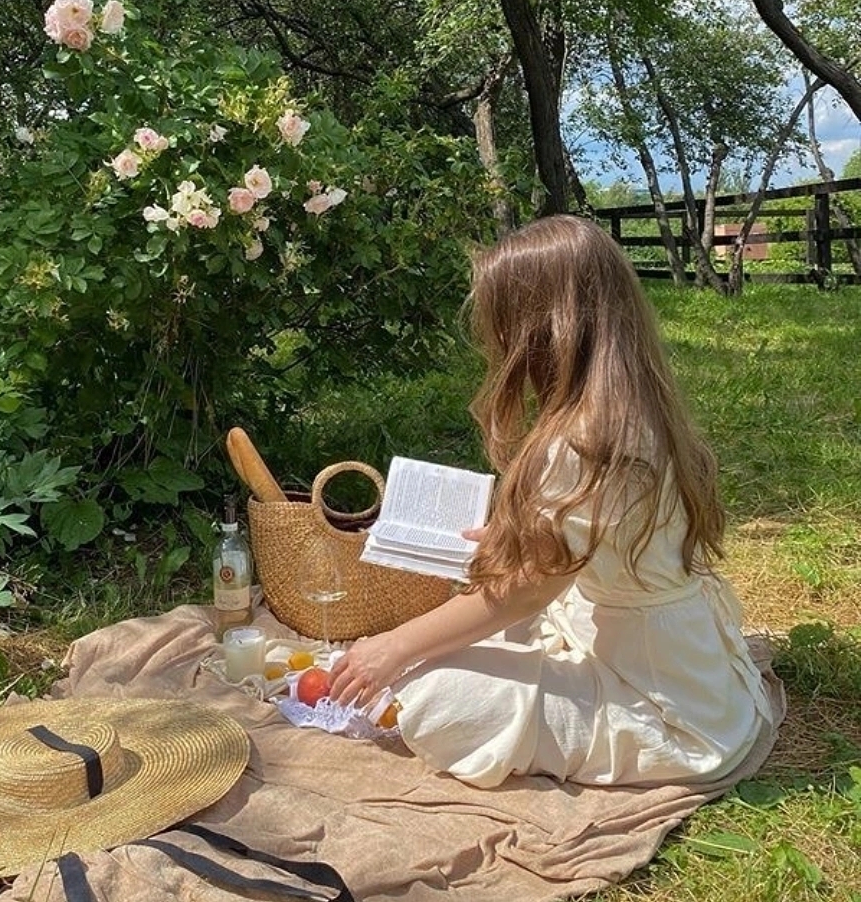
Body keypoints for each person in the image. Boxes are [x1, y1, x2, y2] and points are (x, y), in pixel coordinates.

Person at [329, 214, 773, 787]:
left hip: (661, 704)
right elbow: (588, 545)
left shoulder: (586, 440)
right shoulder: (632, 403)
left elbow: (526, 592)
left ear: (539, 327)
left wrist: (391, 648)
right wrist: (515, 541)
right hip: (668, 652)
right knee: (452, 643)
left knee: (427, 692)